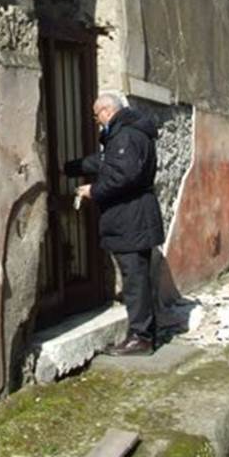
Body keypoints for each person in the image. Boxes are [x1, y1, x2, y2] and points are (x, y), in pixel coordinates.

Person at [65, 92, 164, 356]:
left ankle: (140, 338)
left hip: (130, 219)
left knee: (135, 280)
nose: (97, 123)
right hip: (134, 217)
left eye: (97, 117)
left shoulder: (126, 135)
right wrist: (72, 166)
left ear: (107, 111)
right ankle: (144, 332)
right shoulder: (129, 133)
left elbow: (122, 175)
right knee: (138, 277)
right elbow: (108, 161)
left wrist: (93, 191)